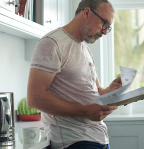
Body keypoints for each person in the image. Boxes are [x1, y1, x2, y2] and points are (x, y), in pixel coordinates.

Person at [27, 0, 119, 149]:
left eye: (108, 27)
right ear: (87, 12)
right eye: (104, 23)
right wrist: (85, 111)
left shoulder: (85, 50)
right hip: (75, 143)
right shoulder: (52, 43)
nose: (105, 32)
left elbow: (95, 93)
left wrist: (111, 90)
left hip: (99, 140)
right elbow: (34, 98)